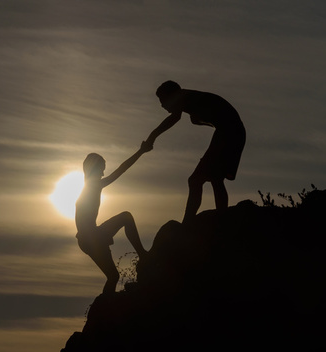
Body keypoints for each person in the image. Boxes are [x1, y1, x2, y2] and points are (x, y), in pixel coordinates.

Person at [145, 81, 246, 223]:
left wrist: (152, 137)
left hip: (229, 132)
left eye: (162, 100)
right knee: (215, 178)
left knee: (196, 180)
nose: (162, 105)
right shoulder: (191, 101)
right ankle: (221, 216)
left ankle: (189, 222)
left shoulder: (182, 95)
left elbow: (175, 117)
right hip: (233, 132)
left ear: (171, 95)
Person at [75, 141, 152, 294]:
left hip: (88, 238)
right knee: (126, 217)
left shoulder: (87, 187)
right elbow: (121, 170)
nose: (103, 174)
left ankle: (105, 306)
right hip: (91, 237)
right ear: (94, 170)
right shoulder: (93, 186)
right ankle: (142, 254)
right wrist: (140, 151)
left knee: (112, 276)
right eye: (101, 170)